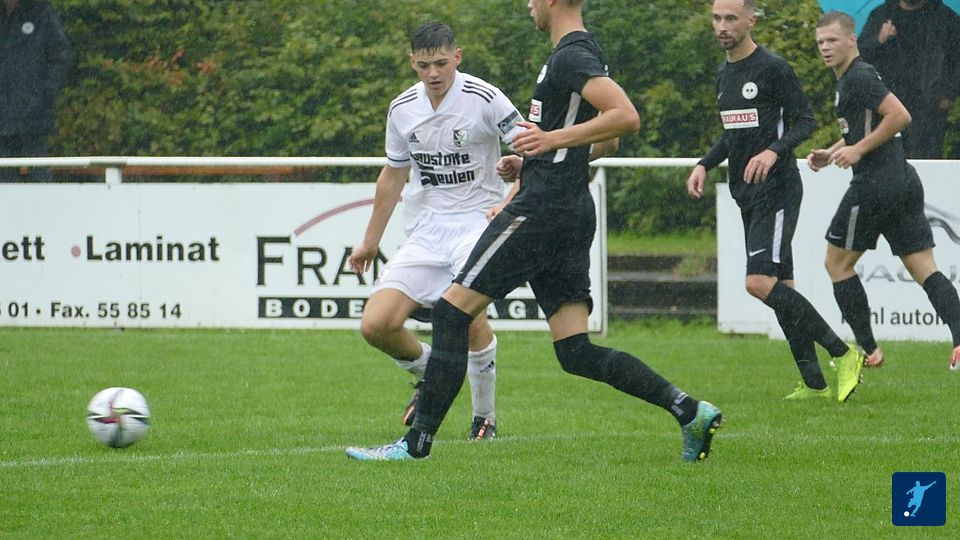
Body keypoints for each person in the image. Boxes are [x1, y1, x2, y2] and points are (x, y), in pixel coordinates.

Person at [346, 0, 723, 463]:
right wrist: (534, 161)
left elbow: (625, 117)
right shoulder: (581, 53)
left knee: (450, 314)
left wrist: (548, 141)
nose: (528, 5)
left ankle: (415, 445)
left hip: (541, 211)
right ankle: (689, 410)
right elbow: (605, 139)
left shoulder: (570, 56)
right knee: (575, 351)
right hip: (570, 210)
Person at [347, 22, 526, 440]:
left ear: (457, 57)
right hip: (426, 232)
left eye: (442, 63)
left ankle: (484, 418)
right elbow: (393, 175)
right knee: (377, 324)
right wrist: (370, 241)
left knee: (469, 316)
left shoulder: (485, 98)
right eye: (424, 65)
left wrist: (509, 199)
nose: (433, 73)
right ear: (412, 62)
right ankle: (435, 372)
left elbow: (533, 152)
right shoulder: (402, 108)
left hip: (477, 224)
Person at [686, 0, 865, 402]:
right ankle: (815, 384)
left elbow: (805, 121)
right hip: (746, 191)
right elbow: (732, 134)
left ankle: (843, 352)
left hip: (777, 189)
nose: (722, 26)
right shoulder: (724, 74)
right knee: (782, 286)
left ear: (751, 20)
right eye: (716, 18)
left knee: (758, 282)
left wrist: (773, 151)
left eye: (731, 18)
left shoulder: (772, 68)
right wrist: (704, 163)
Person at [808, 11, 960, 372]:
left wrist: (858, 151)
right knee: (925, 269)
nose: (826, 47)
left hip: (875, 184)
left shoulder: (859, 76)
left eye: (832, 40)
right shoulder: (851, 79)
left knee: (836, 264)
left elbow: (899, 116)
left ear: (852, 40)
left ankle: (868, 350)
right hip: (902, 181)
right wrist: (833, 151)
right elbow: (862, 129)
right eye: (821, 42)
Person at [858, 0, 960, 159]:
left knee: (926, 159)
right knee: (888, 158)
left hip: (930, 106)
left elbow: (957, 60)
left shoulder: (944, 17)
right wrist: (879, 39)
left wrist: (949, 93)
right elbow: (861, 57)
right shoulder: (882, 15)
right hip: (889, 104)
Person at [0, 0, 72, 182]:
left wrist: (45, 94)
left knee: (39, 176)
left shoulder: (41, 13)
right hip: (2, 119)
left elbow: (61, 57)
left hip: (34, 117)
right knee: (5, 181)